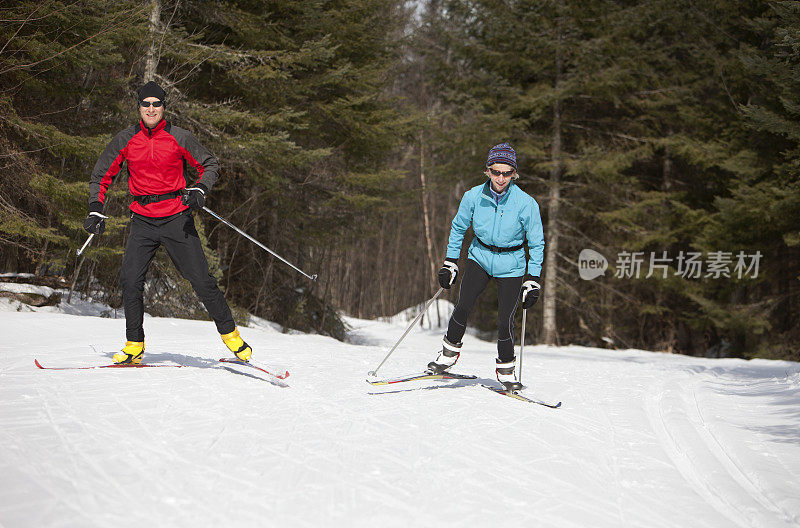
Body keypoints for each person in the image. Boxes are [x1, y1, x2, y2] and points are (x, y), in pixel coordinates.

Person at [83, 81, 252, 365]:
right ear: (139, 107)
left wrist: (200, 189)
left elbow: (209, 164)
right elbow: (102, 174)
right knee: (130, 281)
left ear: (164, 107)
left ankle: (231, 336)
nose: (151, 109)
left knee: (200, 279)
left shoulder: (179, 137)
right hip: (143, 221)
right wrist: (95, 209)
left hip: (176, 217)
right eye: (146, 103)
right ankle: (134, 344)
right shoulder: (126, 139)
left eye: (156, 104)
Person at [429, 142, 544, 390]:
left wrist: (533, 278)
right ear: (488, 171)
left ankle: (506, 371)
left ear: (514, 173)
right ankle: (448, 355)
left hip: (511, 264)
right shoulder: (473, 196)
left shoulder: (526, 203)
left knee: (505, 320)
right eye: (495, 172)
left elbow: (536, 243)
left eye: (506, 173)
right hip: (480, 257)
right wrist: (450, 262)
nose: (500, 178)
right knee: (462, 305)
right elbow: (458, 228)